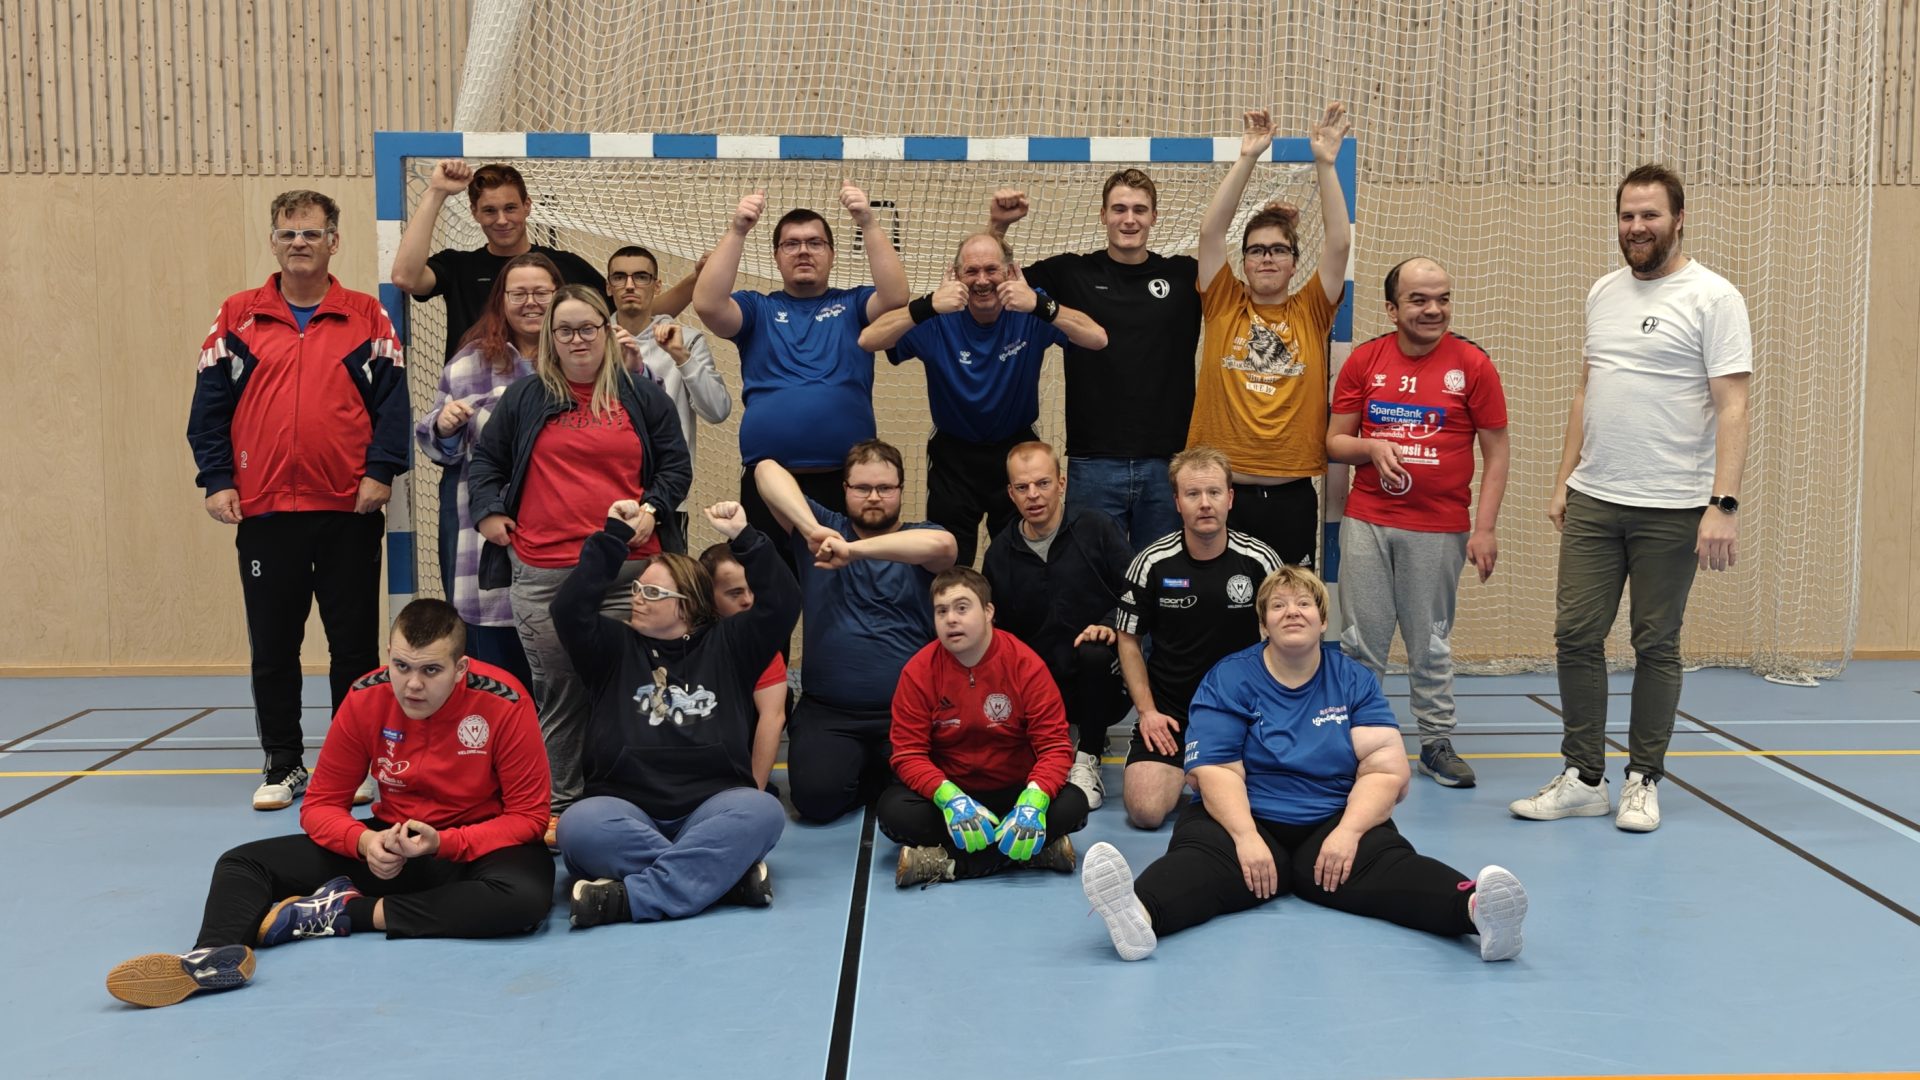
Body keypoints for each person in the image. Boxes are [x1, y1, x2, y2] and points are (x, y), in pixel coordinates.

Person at [104, 600, 554, 1007]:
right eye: (401, 666)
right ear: (389, 657)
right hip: (390, 849)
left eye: (431, 671)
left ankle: (344, 912)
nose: (412, 684)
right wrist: (364, 843)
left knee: (526, 901)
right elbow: (320, 806)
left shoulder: (504, 702)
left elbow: (529, 817)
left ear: (460, 669)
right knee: (243, 863)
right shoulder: (365, 697)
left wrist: (444, 843)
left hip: (473, 849)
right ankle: (211, 959)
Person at [1079, 567, 1529, 964]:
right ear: (1263, 624)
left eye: (1304, 604)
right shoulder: (1230, 677)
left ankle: (1479, 913)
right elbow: (1216, 771)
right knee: (1199, 860)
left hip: (1332, 821)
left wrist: (1349, 832)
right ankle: (1138, 914)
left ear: (1323, 620)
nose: (1292, 612)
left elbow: (1385, 769)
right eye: (1278, 605)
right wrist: (1246, 837)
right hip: (1244, 819)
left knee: (1391, 865)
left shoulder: (1352, 679)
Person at [1511, 164, 1751, 833]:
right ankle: (1584, 778)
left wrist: (1723, 504)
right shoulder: (1603, 292)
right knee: (1575, 634)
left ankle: (1643, 778)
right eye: (1627, 215)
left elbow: (1733, 406)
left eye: (1650, 215)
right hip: (1596, 497)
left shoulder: (1714, 298)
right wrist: (1564, 478)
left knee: (1656, 642)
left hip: (1673, 504)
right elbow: (1587, 390)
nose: (1637, 227)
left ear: (1679, 219)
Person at [187, 189, 407, 811]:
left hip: (348, 510)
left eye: (311, 233)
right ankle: (284, 764)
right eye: (288, 234)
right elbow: (208, 409)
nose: (299, 243)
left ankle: (353, 764)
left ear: (333, 241)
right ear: (274, 243)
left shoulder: (367, 316)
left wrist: (381, 471)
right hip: (265, 512)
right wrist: (218, 479)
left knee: (354, 647)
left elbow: (393, 406)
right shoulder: (237, 316)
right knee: (274, 646)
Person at [468, 285, 692, 841]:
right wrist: (489, 513)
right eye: (564, 330)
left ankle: (636, 799)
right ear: (550, 337)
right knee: (561, 691)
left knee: (633, 688)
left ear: (606, 331)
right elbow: (486, 463)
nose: (577, 339)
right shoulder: (525, 397)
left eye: (587, 327)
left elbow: (675, 466)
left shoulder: (641, 395)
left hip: (628, 571)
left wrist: (653, 508)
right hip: (544, 573)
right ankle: (561, 807)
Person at [556, 501, 800, 928]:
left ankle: (630, 899)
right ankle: (722, 879)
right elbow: (568, 609)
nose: (638, 599)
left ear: (686, 606)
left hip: (713, 806)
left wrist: (746, 538)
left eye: (653, 594)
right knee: (578, 826)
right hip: (625, 806)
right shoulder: (610, 647)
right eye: (637, 589)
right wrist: (613, 538)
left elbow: (783, 602)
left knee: (762, 812)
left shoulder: (731, 646)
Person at [1326, 257, 1510, 789]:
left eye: (1442, 299)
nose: (1434, 310)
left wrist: (1485, 528)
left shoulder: (1472, 364)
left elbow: (1497, 452)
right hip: (1368, 519)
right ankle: (1358, 740)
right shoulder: (1365, 360)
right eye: (1419, 300)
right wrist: (1371, 446)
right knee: (1361, 642)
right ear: (1392, 308)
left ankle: (1435, 742)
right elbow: (1334, 443)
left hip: (1439, 527)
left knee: (1429, 642)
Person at [857, 233, 1107, 565]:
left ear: (1010, 272)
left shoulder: (1030, 308)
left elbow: (1097, 338)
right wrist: (927, 305)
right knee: (948, 558)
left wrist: (1039, 304)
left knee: (1019, 559)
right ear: (956, 276)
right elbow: (868, 340)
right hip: (954, 456)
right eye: (971, 271)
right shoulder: (937, 317)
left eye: (992, 270)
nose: (982, 280)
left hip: (1015, 449)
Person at [987, 169, 1195, 551]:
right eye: (1118, 209)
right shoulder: (1071, 272)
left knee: (1162, 578)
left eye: (1139, 209)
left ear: (1154, 216)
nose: (1129, 219)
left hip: (1167, 463)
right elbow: (991, 281)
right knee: (1090, 575)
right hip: (1094, 462)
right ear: (1102, 215)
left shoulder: (1183, 275)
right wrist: (998, 227)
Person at [694, 183, 910, 549]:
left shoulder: (854, 304)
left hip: (845, 482)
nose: (804, 251)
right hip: (769, 482)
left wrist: (868, 222)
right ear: (776, 257)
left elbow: (895, 298)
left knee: (841, 577)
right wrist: (738, 230)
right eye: (791, 244)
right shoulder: (757, 309)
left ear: (832, 254)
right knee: (771, 579)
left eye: (815, 243)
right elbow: (708, 304)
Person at [754, 441, 959, 822]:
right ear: (845, 488)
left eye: (885, 488)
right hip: (829, 710)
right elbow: (765, 470)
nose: (874, 497)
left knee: (931, 795)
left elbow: (945, 546)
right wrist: (812, 531)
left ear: (901, 490)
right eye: (862, 488)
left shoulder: (919, 536)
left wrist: (853, 551)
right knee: (816, 801)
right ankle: (873, 776)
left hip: (908, 711)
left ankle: (881, 774)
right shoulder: (823, 531)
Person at [1185, 105, 1354, 567]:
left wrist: (1325, 163)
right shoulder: (1223, 302)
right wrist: (1247, 157)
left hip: (1290, 496)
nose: (1266, 258)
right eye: (1256, 250)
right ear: (1243, 261)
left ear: (1295, 263)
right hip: (1223, 496)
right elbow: (1211, 231)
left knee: (1288, 603)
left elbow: (1339, 243)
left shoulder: (1312, 310)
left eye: (1279, 250)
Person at [414, 251, 566, 692]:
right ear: (501, 299)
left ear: (560, 297)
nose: (530, 302)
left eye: (541, 292)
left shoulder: (583, 359)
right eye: (518, 293)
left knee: (562, 682)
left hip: (561, 541)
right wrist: (443, 426)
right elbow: (438, 449)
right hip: (485, 541)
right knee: (494, 685)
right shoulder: (469, 364)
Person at [882, 567, 1088, 886]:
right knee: (892, 811)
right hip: (951, 797)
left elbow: (1055, 747)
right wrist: (947, 796)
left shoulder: (1025, 665)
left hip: (1015, 793)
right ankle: (1033, 854)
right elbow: (908, 754)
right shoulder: (919, 671)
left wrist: (1034, 800)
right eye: (941, 611)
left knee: (1074, 804)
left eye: (962, 608)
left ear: (988, 611)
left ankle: (948, 864)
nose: (951, 619)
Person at [1115, 446, 1282, 830]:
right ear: (1177, 502)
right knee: (1145, 811)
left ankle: (1206, 774)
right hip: (1172, 717)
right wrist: (1148, 713)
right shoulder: (1150, 563)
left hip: (1242, 715)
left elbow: (1286, 642)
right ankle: (1198, 771)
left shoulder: (1260, 561)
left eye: (1214, 492)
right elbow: (1128, 640)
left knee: (1273, 806)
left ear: (1230, 498)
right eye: (1192, 494)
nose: (1204, 503)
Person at [392, 160, 697, 360]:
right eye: (489, 211)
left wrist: (698, 279)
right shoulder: (459, 266)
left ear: (527, 206)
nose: (502, 220)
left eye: (511, 208)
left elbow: (638, 314)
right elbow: (406, 277)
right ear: (474, 213)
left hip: (549, 406)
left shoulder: (565, 266)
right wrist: (436, 191)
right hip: (477, 408)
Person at [981, 441, 1133, 809]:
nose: (1033, 495)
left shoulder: (1096, 527)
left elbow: (1135, 590)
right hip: (1040, 688)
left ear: (1061, 484)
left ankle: (1089, 756)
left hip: (1103, 679)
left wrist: (1109, 624)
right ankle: (1053, 739)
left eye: (1043, 483)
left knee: (1095, 651)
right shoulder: (1000, 553)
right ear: (1011, 494)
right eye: (1022, 487)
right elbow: (995, 631)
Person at [609, 244, 729, 538]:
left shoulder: (685, 339)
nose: (629, 285)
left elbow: (717, 411)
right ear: (608, 287)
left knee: (667, 570)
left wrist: (681, 356)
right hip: (603, 491)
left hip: (667, 495)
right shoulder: (591, 341)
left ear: (657, 285)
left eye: (641, 277)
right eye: (620, 277)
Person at [700, 541, 790, 792]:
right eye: (735, 593)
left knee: (781, 698)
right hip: (691, 748)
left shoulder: (760, 642)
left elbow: (773, 717)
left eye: (753, 590)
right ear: (707, 595)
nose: (748, 601)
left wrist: (754, 794)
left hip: (734, 744)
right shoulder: (680, 636)